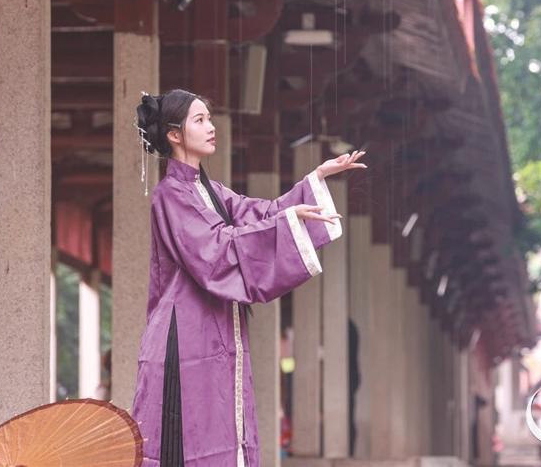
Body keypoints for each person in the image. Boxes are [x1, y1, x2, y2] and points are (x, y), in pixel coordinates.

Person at [129, 89, 366, 466]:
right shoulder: (169, 195)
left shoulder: (211, 192)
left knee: (224, 429)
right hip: (183, 335)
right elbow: (213, 250)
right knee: (191, 434)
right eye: (200, 120)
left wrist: (316, 178)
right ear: (174, 134)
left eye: (210, 118)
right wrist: (287, 221)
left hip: (214, 327)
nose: (211, 127)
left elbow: (261, 213)